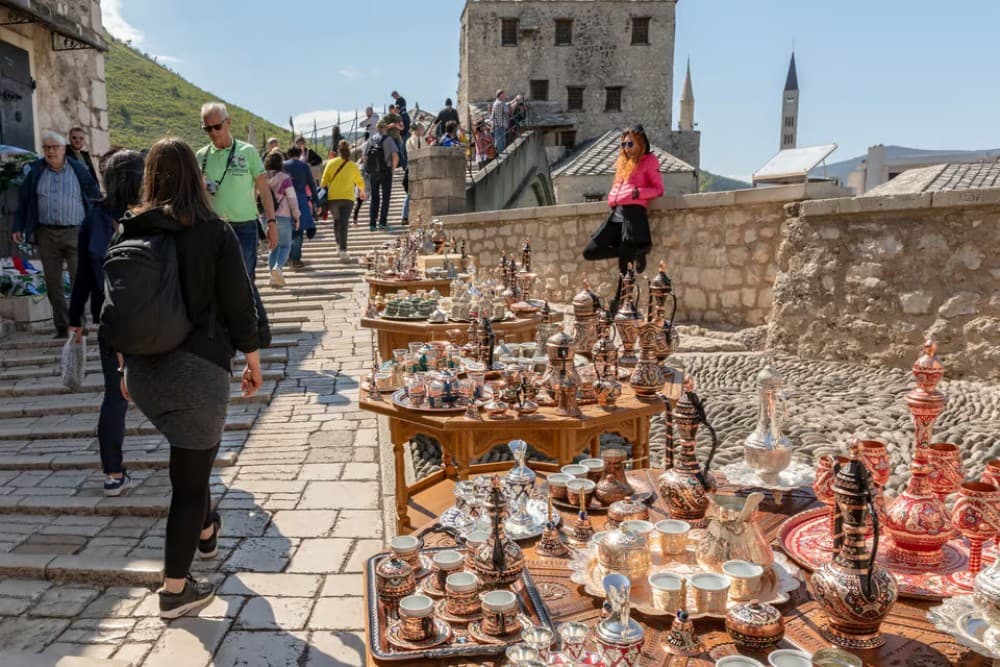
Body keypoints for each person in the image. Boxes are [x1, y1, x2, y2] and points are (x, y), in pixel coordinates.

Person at [118, 137, 261, 619]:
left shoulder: (131, 231)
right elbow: (239, 302)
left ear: (150, 176)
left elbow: (118, 308)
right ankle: (175, 591)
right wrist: (253, 357)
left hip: (143, 374)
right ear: (197, 179)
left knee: (192, 469)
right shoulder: (214, 232)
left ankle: (206, 530)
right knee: (189, 481)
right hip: (196, 373)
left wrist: (122, 366)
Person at [67, 150, 143, 496]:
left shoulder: (93, 219)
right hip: (156, 320)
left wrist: (75, 320)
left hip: (110, 320)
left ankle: (113, 474)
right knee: (171, 392)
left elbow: (82, 275)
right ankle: (187, 469)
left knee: (115, 396)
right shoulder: (155, 216)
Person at [195, 102, 276, 336]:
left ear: (228, 122)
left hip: (246, 226)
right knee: (219, 281)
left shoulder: (247, 152)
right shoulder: (201, 157)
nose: (213, 133)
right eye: (207, 129)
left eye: (217, 127)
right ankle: (236, 328)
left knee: (245, 278)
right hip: (215, 228)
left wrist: (271, 223)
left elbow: (264, 188)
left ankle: (253, 329)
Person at [11, 130, 101, 338]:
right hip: (46, 234)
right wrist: (18, 226)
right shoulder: (35, 171)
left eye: (55, 147)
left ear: (63, 149)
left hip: (75, 232)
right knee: (53, 284)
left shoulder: (79, 169)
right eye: (47, 148)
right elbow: (24, 202)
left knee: (79, 280)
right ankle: (62, 327)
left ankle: (79, 324)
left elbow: (94, 197)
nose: (51, 151)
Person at [582, 125, 664, 294]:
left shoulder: (649, 160)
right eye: (624, 144)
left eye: (630, 144)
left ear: (641, 143)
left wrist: (638, 192)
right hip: (617, 212)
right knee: (590, 251)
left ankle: (619, 303)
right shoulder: (622, 163)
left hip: (634, 212)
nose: (626, 148)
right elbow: (618, 185)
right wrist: (612, 198)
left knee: (624, 268)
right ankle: (636, 252)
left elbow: (658, 189)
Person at [320, 139, 365, 260]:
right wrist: (362, 191)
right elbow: (359, 181)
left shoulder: (330, 163)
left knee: (337, 222)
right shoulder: (353, 165)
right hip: (347, 199)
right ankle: (343, 251)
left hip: (333, 199)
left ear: (338, 151)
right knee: (344, 225)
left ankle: (338, 245)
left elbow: (323, 182)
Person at [264, 151, 300, 287]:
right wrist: (296, 216)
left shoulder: (261, 177)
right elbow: (292, 198)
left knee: (273, 247)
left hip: (266, 217)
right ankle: (277, 268)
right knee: (285, 245)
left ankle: (273, 277)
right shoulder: (285, 178)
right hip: (282, 216)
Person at [282, 146, 318, 270]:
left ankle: (288, 256)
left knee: (288, 230)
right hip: (301, 200)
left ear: (288, 154)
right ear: (300, 153)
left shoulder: (283, 165)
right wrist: (316, 201)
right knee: (299, 231)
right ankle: (296, 259)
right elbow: (312, 185)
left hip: (285, 200)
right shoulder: (304, 166)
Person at [364, 119, 399, 231]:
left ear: (377, 128)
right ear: (385, 128)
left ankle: (372, 224)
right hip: (386, 171)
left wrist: (370, 168)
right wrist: (393, 169)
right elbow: (395, 156)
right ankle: (382, 222)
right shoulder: (389, 139)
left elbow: (365, 157)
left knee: (374, 197)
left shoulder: (371, 140)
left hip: (374, 172)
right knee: (385, 197)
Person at [402, 124, 425, 225]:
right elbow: (426, 151)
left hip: (410, 167)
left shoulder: (408, 140)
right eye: (422, 129)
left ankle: (405, 216)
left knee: (409, 195)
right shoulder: (420, 139)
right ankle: (413, 216)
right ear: (419, 130)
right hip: (419, 168)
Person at [491, 89, 509, 154]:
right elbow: (507, 111)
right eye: (503, 94)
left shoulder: (495, 103)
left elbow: (492, 115)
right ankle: (501, 154)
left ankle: (500, 153)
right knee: (501, 141)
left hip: (496, 124)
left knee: (499, 140)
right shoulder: (500, 103)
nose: (504, 96)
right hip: (500, 124)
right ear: (500, 95)